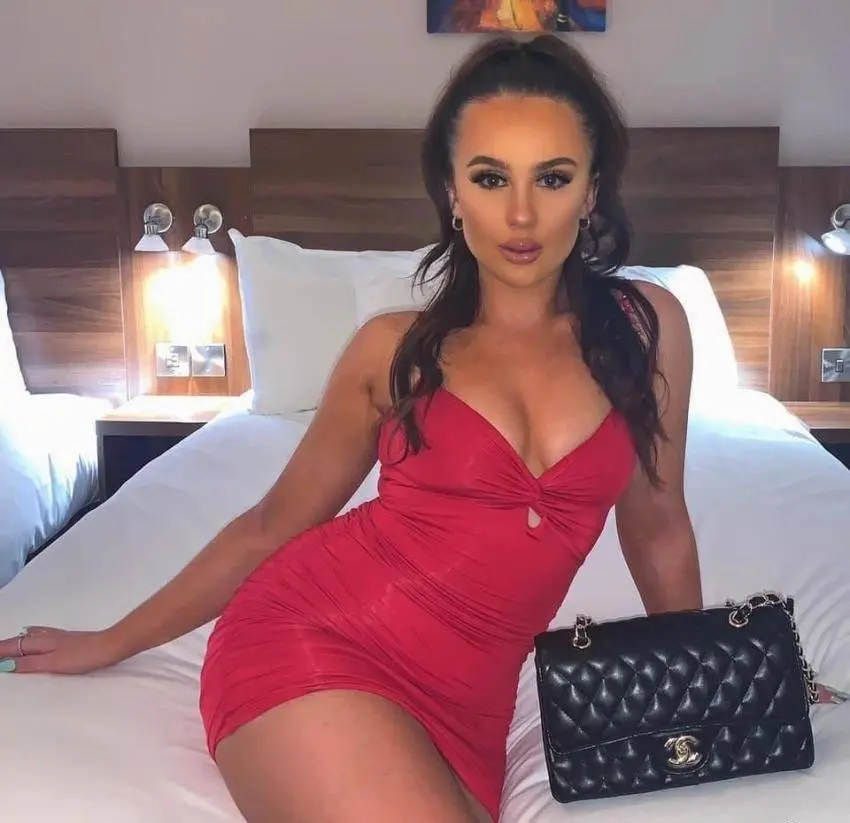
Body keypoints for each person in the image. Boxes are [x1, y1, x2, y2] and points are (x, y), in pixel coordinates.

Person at [0, 34, 702, 823]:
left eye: (552, 177)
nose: (520, 212)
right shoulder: (395, 352)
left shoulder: (647, 330)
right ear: (452, 193)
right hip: (312, 640)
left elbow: (658, 528)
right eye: (490, 177)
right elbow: (271, 525)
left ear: (592, 191)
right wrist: (112, 639)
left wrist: (710, 672)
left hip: (471, 713)